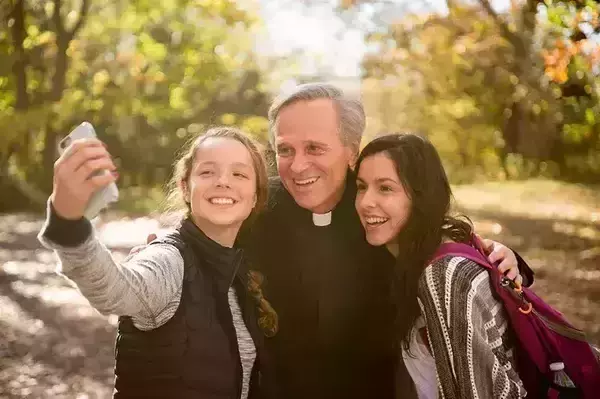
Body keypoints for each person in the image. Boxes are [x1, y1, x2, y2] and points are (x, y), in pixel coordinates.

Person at [130, 83, 527, 398]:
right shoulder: (256, 206)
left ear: (352, 152)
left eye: (315, 148)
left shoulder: (381, 211)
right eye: (285, 149)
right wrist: (168, 242)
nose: (298, 165)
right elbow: (204, 225)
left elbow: (445, 247)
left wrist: (505, 257)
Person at [38, 127, 276, 399]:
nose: (223, 181)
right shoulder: (168, 260)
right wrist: (68, 220)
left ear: (255, 196)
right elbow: (115, 289)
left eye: (239, 174)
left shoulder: (240, 276)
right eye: (208, 172)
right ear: (185, 188)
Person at [354, 133, 530, 398]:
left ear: (420, 196)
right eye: (360, 187)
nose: (366, 202)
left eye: (386, 188)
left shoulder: (444, 276)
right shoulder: (409, 255)